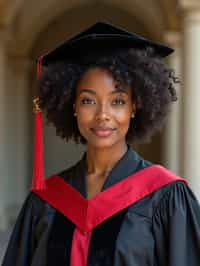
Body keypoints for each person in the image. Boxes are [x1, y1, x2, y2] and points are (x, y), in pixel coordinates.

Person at [2, 21, 200, 266]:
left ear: (134, 107)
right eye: (88, 101)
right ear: (72, 106)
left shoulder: (166, 196)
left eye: (117, 101)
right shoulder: (46, 200)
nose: (102, 115)